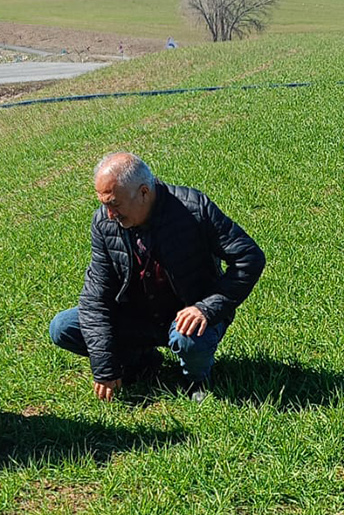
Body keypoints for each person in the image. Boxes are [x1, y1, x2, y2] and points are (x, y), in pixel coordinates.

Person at [50, 152, 264, 401]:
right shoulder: (104, 224)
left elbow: (249, 258)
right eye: (104, 204)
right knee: (63, 327)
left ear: (143, 192)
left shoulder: (193, 208)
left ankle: (196, 380)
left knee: (189, 337)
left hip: (190, 315)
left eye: (114, 204)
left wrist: (206, 308)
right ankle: (141, 362)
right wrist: (105, 365)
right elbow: (95, 298)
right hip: (139, 317)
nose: (109, 214)